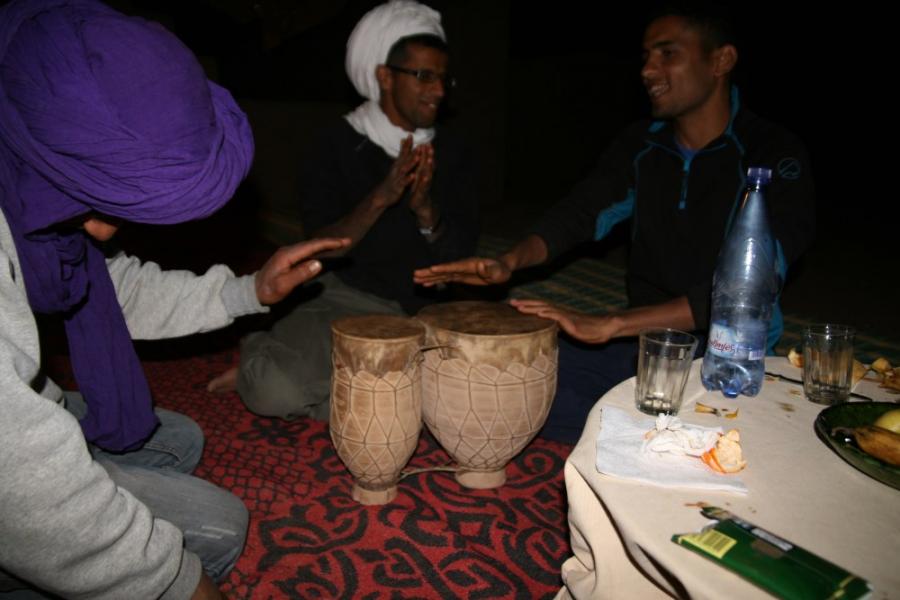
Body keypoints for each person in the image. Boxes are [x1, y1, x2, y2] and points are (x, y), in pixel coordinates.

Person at [0, 1, 348, 598]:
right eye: (101, 202)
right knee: (218, 528)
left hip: (31, 408)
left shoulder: (26, 166)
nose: (108, 231)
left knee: (177, 438)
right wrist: (170, 580)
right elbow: (16, 466)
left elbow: (115, 286)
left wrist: (249, 291)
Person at [415, 7, 815, 444]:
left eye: (667, 54)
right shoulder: (643, 144)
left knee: (689, 437)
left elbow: (749, 285)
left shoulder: (772, 153)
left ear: (720, 61)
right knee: (498, 381)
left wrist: (611, 322)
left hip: (728, 358)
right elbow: (581, 213)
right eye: (646, 56)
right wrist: (508, 262)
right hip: (640, 348)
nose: (647, 70)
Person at [207, 0, 479, 420]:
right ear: (385, 76)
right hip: (346, 302)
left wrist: (427, 213)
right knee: (273, 392)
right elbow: (323, 249)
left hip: (428, 316)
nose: (439, 91)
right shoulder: (334, 145)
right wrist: (381, 196)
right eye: (424, 76)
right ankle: (264, 349)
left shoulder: (455, 150)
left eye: (444, 78)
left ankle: (365, 391)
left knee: (476, 398)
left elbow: (462, 258)